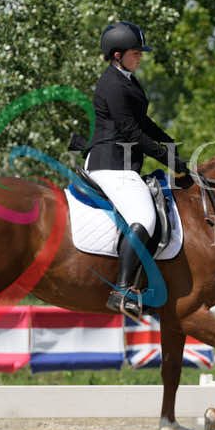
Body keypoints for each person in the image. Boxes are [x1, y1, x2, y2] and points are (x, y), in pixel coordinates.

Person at [82, 21, 189, 318]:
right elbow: (130, 132)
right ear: (117, 55)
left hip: (122, 163)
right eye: (135, 52)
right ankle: (122, 290)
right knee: (144, 217)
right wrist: (167, 158)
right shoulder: (113, 85)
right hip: (110, 164)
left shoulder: (127, 80)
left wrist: (170, 144)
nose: (140, 56)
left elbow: (143, 122)